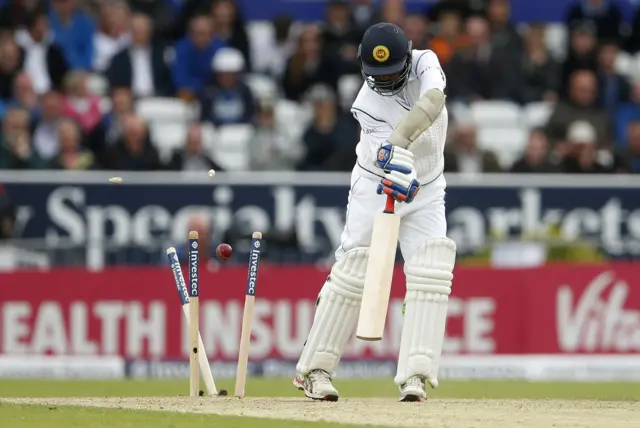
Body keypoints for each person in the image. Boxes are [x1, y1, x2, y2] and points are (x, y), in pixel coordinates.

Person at [293, 23, 456, 403]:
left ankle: (415, 375)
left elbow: (433, 101)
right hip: (375, 183)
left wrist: (402, 152)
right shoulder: (365, 104)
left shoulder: (425, 62)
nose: (384, 82)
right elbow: (388, 161)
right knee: (356, 268)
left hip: (428, 186)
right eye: (376, 76)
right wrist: (396, 168)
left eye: (391, 73)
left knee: (431, 270)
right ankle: (314, 370)